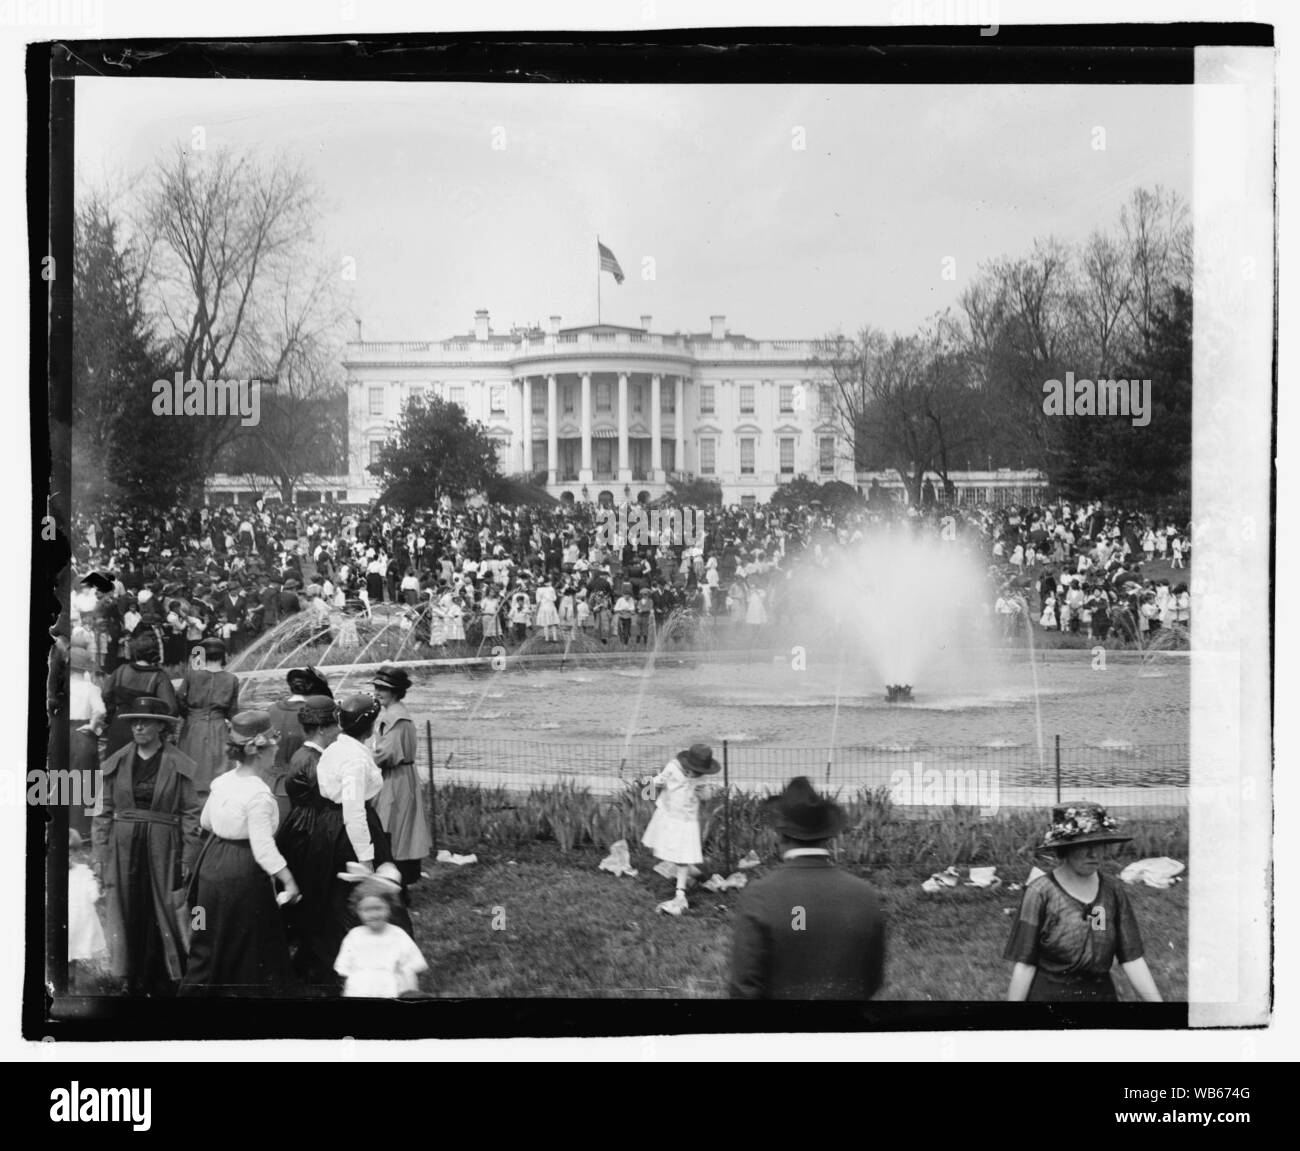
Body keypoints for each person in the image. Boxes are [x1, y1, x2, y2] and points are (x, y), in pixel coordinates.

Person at [276, 694, 409, 991]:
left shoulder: (337, 749)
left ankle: (335, 962)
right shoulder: (351, 759)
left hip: (329, 827)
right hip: (349, 830)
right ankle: (370, 967)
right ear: (371, 726)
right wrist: (366, 859)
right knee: (357, 898)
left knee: (333, 899)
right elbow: (353, 810)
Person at [729, 777, 886, 999]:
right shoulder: (865, 895)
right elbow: (873, 980)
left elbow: (744, 986)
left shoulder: (759, 896)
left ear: (780, 836)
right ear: (827, 837)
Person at [178, 711, 300, 997]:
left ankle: (197, 986)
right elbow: (263, 848)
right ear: (260, 752)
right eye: (273, 745)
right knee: (250, 937)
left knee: (204, 926)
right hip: (242, 871)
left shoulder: (222, 782)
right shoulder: (258, 794)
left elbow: (206, 822)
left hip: (208, 867)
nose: (277, 750)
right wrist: (289, 880)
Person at [93, 697, 204, 996]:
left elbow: (190, 814)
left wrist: (187, 856)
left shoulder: (178, 763)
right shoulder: (116, 762)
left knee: (164, 906)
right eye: (134, 722)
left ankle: (162, 973)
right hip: (124, 847)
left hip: (162, 847)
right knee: (126, 904)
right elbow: (102, 811)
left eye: (145, 722)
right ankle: (129, 973)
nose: (138, 726)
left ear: (160, 726)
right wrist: (100, 858)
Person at [1004, 800, 1163, 1002]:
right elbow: (1025, 964)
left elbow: (1131, 957)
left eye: (1099, 845)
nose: (1093, 854)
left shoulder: (1112, 891)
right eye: (1084, 846)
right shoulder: (1040, 893)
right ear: (1065, 850)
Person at [370, 667, 433, 896]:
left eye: (384, 689)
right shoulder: (397, 713)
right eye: (376, 687)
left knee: (392, 826)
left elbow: (386, 754)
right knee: (398, 826)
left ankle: (395, 884)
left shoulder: (394, 718)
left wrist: (364, 758)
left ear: (395, 691)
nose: (378, 692)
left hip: (395, 778)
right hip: (401, 777)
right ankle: (396, 882)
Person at [640, 743, 721, 915]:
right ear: (687, 764)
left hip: (687, 821)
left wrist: (702, 792)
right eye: (694, 770)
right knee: (675, 853)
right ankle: (698, 875)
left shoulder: (701, 779)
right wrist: (646, 786)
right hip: (669, 815)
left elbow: (707, 796)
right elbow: (659, 781)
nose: (696, 774)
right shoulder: (672, 768)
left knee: (682, 855)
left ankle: (680, 893)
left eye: (700, 772)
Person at [333, 872, 429, 998]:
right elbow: (344, 967)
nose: (373, 914)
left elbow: (409, 966)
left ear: (389, 908)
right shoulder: (354, 935)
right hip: (360, 988)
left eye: (378, 908)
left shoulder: (397, 934)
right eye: (366, 910)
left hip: (391, 988)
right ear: (357, 911)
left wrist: (410, 989)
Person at [176, 636, 241, 798]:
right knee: (220, 772)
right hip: (219, 729)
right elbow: (233, 713)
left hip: (193, 727)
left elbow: (180, 701)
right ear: (222, 656)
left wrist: (191, 715)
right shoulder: (231, 680)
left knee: (190, 772)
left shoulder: (192, 674)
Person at [101, 632, 179, 757]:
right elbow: (171, 709)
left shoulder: (121, 670)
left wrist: (111, 714)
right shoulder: (159, 677)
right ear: (154, 654)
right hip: (146, 728)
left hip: (119, 723)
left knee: (115, 768)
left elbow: (106, 694)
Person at [68, 830, 108, 990]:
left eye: (71, 852)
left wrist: (96, 884)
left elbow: (93, 895)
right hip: (63, 922)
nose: (68, 857)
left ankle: (70, 983)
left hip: (78, 923)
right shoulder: (51, 872)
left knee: (73, 955)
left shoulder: (83, 873)